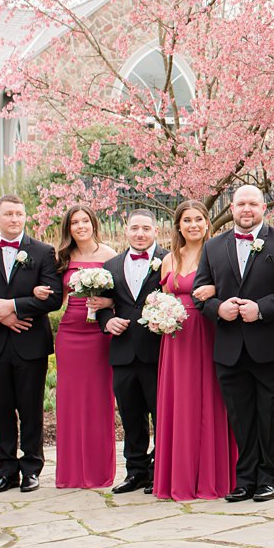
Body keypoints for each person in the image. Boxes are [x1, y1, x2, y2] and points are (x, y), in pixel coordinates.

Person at [192, 185, 274, 502]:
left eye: (252, 203)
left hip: (271, 344)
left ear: (263, 207)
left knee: (271, 414)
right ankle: (245, 479)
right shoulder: (214, 246)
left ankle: (270, 477)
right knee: (240, 415)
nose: (246, 209)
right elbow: (201, 293)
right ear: (231, 206)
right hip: (230, 346)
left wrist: (262, 309)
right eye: (241, 203)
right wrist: (219, 309)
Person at [0, 194, 63, 493]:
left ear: (25, 216)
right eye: (8, 214)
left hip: (30, 343)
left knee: (31, 410)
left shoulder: (43, 252)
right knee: (1, 410)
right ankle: (6, 471)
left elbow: (54, 298)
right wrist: (1, 316)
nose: (14, 219)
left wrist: (15, 305)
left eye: (19, 213)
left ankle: (32, 469)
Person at [155, 200, 237, 501]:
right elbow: (165, 297)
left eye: (198, 219)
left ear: (207, 224)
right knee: (180, 402)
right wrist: (159, 315)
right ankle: (179, 477)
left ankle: (212, 476)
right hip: (176, 338)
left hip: (207, 331)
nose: (192, 225)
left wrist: (215, 290)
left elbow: (232, 288)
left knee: (209, 398)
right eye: (186, 220)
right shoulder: (169, 259)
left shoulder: (217, 253)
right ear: (178, 225)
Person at [94, 210, 164, 494]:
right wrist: (106, 322)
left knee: (161, 415)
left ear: (156, 231)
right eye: (135, 228)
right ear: (126, 230)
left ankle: (159, 469)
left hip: (157, 350)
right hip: (123, 352)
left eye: (146, 228)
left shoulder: (168, 260)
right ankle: (135, 472)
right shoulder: (110, 265)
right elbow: (100, 305)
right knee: (131, 416)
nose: (140, 234)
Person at [52, 205, 118, 489]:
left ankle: (98, 469)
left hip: (99, 334)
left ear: (94, 223)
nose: (80, 226)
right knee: (69, 401)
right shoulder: (62, 258)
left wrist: (107, 303)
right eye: (74, 222)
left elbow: (124, 295)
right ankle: (71, 472)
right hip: (70, 332)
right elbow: (55, 298)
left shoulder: (111, 255)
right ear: (68, 228)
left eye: (85, 221)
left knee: (99, 399)